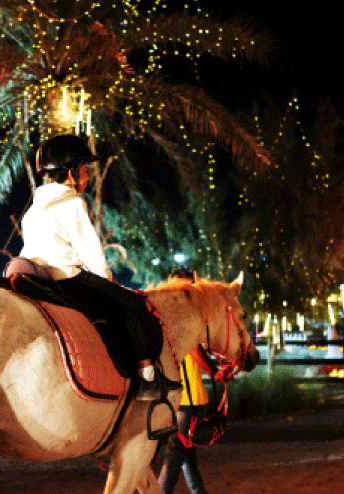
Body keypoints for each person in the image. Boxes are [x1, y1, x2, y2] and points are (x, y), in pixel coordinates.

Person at [19, 134, 173, 399]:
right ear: (70, 172)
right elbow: (90, 251)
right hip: (68, 278)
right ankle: (147, 377)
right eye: (84, 170)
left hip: (41, 278)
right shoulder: (71, 202)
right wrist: (109, 281)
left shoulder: (33, 211)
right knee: (135, 305)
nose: (87, 177)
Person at [158, 269, 212, 494]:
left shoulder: (166, 314)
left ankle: (198, 491)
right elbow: (197, 351)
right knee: (177, 450)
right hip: (185, 396)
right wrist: (214, 371)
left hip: (175, 394)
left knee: (186, 450)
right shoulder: (186, 317)